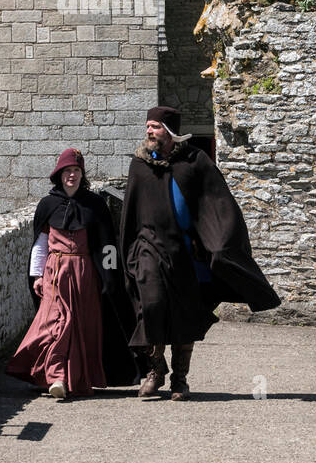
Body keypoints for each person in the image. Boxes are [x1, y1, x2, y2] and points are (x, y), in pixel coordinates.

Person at [120, 107, 281, 401]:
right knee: (151, 305)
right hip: (148, 250)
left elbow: (218, 202)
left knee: (184, 315)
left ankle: (180, 380)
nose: (148, 131)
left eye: (154, 127)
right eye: (147, 126)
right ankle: (156, 370)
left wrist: (217, 243)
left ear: (168, 131)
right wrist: (128, 251)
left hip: (185, 252)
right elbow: (129, 213)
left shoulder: (194, 161)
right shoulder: (139, 166)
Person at [6, 148, 138, 400]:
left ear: (82, 174)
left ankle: (71, 378)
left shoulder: (95, 204)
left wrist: (109, 277)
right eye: (68, 171)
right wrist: (36, 276)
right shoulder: (47, 205)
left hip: (84, 273)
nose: (72, 175)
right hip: (55, 273)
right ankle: (56, 376)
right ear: (59, 174)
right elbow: (40, 244)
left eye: (76, 171)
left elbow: (107, 243)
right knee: (58, 323)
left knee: (80, 326)